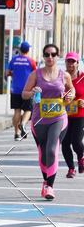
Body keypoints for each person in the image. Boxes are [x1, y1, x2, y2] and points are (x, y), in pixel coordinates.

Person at [22, 43, 75, 200]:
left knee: (52, 150)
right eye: (47, 54)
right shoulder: (35, 75)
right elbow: (24, 94)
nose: (50, 57)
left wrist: (70, 96)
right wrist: (32, 92)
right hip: (39, 120)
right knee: (43, 153)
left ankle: (50, 186)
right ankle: (46, 181)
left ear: (57, 56)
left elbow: (71, 89)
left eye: (53, 54)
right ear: (43, 56)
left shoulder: (64, 75)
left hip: (59, 117)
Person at [6, 41, 36, 140]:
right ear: (28, 50)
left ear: (20, 49)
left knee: (17, 111)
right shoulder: (31, 61)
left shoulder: (13, 60)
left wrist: (14, 74)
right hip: (27, 89)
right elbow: (36, 74)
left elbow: (7, 73)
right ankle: (23, 124)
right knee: (28, 110)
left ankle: (16, 134)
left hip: (15, 89)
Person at [62, 51, 84, 178]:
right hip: (63, 115)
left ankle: (81, 158)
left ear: (77, 63)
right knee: (65, 143)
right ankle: (71, 168)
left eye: (73, 62)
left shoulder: (83, 77)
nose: (70, 64)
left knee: (76, 141)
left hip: (80, 115)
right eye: (68, 61)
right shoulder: (61, 78)